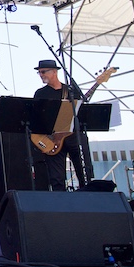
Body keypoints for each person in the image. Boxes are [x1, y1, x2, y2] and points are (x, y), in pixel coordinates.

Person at [31, 60, 87, 191]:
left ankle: (88, 198)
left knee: (84, 172)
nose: (41, 75)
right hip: (52, 138)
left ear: (54, 72)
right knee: (56, 178)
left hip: (73, 136)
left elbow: (81, 110)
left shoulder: (71, 90)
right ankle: (61, 204)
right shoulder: (40, 93)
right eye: (39, 72)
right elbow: (35, 117)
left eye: (43, 71)